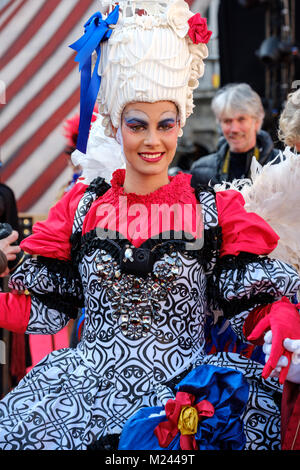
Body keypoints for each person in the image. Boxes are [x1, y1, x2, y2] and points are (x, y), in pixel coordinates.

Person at [0, 0, 299, 451]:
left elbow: (249, 305)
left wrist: (280, 317)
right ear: (116, 126)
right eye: (138, 124)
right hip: (82, 392)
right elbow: (43, 309)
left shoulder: (214, 210)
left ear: (180, 126)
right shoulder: (80, 209)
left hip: (187, 393)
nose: (152, 140)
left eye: (166, 123)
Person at [190, 83, 280, 187]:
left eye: (241, 119)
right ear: (219, 124)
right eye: (227, 121)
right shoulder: (199, 171)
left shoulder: (283, 164)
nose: (234, 129)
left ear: (257, 121)